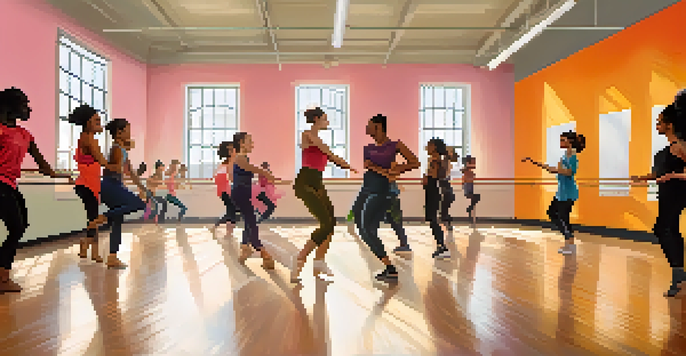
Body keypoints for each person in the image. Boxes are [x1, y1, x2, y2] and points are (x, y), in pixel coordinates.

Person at [0, 87, 72, 292]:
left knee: (20, 226)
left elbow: (44, 166)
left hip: (10, 185)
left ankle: (2, 274)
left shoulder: (26, 135)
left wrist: (61, 176)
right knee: (16, 227)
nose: (28, 109)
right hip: (1, 185)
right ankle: (3, 278)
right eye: (24, 105)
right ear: (10, 107)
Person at [291, 107, 357, 282]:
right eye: (325, 119)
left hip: (317, 181)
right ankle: (300, 258)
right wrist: (340, 161)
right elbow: (328, 153)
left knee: (331, 222)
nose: (328, 122)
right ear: (316, 119)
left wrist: (345, 164)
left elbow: (331, 156)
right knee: (326, 224)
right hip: (305, 182)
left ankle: (319, 260)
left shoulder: (318, 140)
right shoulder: (307, 135)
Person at [352, 114, 420, 282]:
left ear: (379, 127)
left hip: (381, 192)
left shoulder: (395, 145)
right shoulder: (367, 149)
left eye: (369, 125)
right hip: (366, 190)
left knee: (367, 228)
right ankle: (389, 267)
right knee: (363, 229)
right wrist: (386, 171)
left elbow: (415, 162)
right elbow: (371, 168)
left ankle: (390, 268)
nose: (366, 129)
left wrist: (398, 169)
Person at [631, 97, 686, 298]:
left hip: (678, 192)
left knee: (663, 229)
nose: (657, 125)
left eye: (660, 122)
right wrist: (642, 178)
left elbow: (675, 173)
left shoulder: (680, 147)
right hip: (667, 193)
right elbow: (657, 174)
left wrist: (673, 176)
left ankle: (679, 275)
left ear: (670, 125)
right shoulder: (662, 153)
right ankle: (679, 275)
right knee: (669, 230)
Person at [522, 130, 585, 255]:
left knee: (562, 217)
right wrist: (535, 162)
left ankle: (569, 243)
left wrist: (558, 170)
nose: (561, 142)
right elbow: (556, 170)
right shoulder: (564, 156)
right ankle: (569, 240)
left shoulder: (572, 156)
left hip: (568, 192)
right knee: (554, 213)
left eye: (563, 140)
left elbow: (570, 172)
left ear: (570, 142)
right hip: (561, 191)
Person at [100, 118, 146, 269]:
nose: (130, 133)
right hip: (110, 185)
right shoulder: (116, 149)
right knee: (139, 204)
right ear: (119, 133)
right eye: (127, 130)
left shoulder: (121, 149)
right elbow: (119, 169)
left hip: (115, 184)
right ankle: (104, 216)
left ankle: (112, 257)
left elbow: (131, 172)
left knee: (118, 221)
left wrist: (142, 186)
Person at [68, 104, 112, 262]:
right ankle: (86, 244)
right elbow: (103, 162)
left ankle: (93, 251)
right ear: (87, 123)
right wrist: (122, 166)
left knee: (93, 218)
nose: (100, 122)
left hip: (90, 185)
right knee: (94, 219)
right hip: (87, 185)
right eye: (96, 121)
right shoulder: (89, 140)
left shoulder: (86, 138)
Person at [232, 132, 280, 268]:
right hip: (240, 194)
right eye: (249, 141)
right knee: (252, 222)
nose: (252, 144)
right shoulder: (239, 158)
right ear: (241, 143)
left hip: (243, 193)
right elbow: (252, 169)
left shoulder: (244, 158)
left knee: (250, 221)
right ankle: (262, 251)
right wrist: (267, 173)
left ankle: (245, 248)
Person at [423, 138, 450, 259]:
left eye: (429, 145)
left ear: (434, 147)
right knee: (432, 219)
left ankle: (442, 246)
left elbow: (434, 176)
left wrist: (427, 178)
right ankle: (441, 246)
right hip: (433, 190)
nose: (427, 148)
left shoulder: (436, 161)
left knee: (433, 219)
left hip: (433, 191)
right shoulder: (436, 160)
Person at [213, 141, 237, 233]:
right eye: (231, 149)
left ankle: (224, 227)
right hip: (225, 189)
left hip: (223, 189)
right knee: (232, 208)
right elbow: (230, 177)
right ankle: (225, 227)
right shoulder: (230, 161)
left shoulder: (225, 163)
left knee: (231, 208)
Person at [439, 146, 457, 226]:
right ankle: (444, 215)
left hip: (445, 181)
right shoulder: (445, 161)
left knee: (449, 197)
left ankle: (444, 215)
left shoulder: (447, 161)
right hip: (443, 181)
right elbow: (444, 172)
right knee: (448, 197)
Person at [462, 155, 480, 225]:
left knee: (475, 198)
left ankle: (470, 212)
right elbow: (467, 179)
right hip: (468, 188)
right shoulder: (466, 172)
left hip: (470, 188)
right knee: (475, 197)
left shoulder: (469, 172)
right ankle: (470, 210)